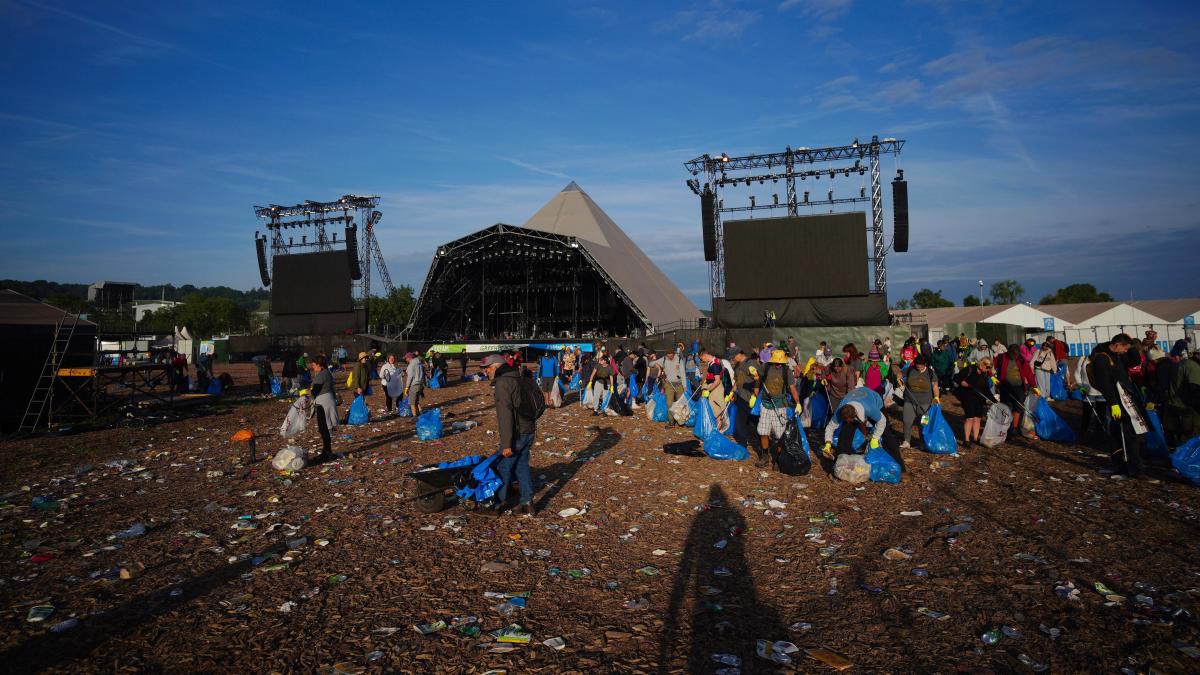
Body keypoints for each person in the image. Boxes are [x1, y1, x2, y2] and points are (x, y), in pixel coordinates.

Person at [483, 353, 536, 516]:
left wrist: (506, 444)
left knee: (503, 467)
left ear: (497, 366)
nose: (486, 372)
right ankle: (527, 503)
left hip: (516, 434)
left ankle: (497, 505)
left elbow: (505, 415)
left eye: (488, 368)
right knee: (521, 466)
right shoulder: (518, 377)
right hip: (528, 430)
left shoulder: (503, 383)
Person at [1089, 334, 1150, 477]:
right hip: (1117, 402)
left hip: (1126, 399)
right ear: (1117, 344)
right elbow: (1104, 385)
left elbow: (1135, 362)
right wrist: (1113, 404)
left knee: (1129, 433)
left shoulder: (1117, 356)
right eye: (1125, 348)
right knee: (1127, 434)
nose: (1125, 351)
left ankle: (1130, 465)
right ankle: (1130, 467)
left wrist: (1133, 346)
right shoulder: (1103, 359)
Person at [751, 349, 802, 468]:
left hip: (780, 406)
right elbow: (758, 379)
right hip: (765, 404)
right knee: (763, 432)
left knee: (780, 435)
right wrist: (755, 394)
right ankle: (765, 456)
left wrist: (798, 402)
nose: (778, 365)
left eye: (780, 363)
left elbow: (792, 388)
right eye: (776, 362)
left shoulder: (787, 371)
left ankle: (778, 459)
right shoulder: (766, 367)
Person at [821, 391, 887, 460]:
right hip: (854, 398)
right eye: (846, 420)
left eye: (849, 420)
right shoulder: (839, 411)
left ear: (854, 416)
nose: (848, 422)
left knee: (886, 434)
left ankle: (896, 459)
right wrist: (828, 444)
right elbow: (830, 427)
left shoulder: (870, 409)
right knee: (846, 432)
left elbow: (882, 421)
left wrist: (875, 438)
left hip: (874, 399)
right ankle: (842, 458)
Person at [994, 344, 1038, 438]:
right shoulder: (1001, 358)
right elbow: (990, 365)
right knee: (1006, 407)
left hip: (1019, 387)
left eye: (1017, 354)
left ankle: (1013, 428)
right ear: (1009, 352)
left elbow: (1028, 372)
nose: (1015, 356)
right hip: (1005, 387)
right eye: (1013, 354)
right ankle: (1005, 429)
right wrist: (991, 376)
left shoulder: (1021, 359)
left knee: (1017, 408)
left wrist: (1034, 385)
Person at [900, 355, 940, 449]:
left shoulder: (930, 373)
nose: (918, 368)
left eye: (921, 366)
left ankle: (923, 442)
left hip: (925, 403)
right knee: (907, 421)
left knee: (923, 423)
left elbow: (935, 386)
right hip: (909, 401)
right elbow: (900, 374)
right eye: (917, 366)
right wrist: (899, 379)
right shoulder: (910, 369)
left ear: (925, 364)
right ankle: (906, 441)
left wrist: (937, 397)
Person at [308, 355, 338, 463]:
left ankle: (327, 452)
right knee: (324, 428)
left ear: (319, 365)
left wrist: (307, 392)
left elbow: (315, 391)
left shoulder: (321, 375)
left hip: (323, 403)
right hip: (326, 401)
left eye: (314, 365)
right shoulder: (327, 373)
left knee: (323, 428)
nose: (313, 367)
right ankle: (326, 451)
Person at [958, 358, 994, 447]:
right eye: (988, 367)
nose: (988, 369)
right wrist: (962, 382)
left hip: (979, 399)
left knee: (978, 419)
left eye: (990, 368)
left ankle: (976, 438)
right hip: (968, 397)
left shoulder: (984, 375)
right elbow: (956, 378)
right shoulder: (969, 369)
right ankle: (966, 440)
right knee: (970, 418)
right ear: (982, 365)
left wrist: (994, 401)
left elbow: (986, 390)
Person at [655, 347, 686, 418]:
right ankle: (671, 422)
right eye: (668, 356)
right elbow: (656, 364)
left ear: (674, 354)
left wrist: (684, 386)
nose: (670, 357)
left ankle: (680, 419)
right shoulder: (664, 360)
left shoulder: (679, 360)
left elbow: (683, 374)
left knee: (680, 403)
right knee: (669, 404)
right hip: (669, 384)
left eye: (671, 356)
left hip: (679, 384)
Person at [404, 352, 426, 417]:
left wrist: (407, 387)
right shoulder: (419, 364)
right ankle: (418, 414)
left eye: (406, 358)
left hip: (414, 385)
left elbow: (410, 377)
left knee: (412, 402)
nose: (406, 360)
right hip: (420, 384)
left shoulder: (411, 365)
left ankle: (414, 417)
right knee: (416, 401)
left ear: (409, 358)